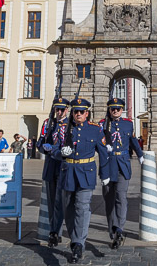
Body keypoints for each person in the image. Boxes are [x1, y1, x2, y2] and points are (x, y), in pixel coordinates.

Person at [59, 98, 110, 264]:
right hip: (68, 173)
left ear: (87, 113)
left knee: (82, 207)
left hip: (86, 174)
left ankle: (78, 244)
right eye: (75, 111)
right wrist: (60, 152)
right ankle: (76, 238)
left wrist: (105, 173)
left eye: (81, 112)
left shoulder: (95, 130)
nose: (78, 114)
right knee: (68, 209)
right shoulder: (66, 128)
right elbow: (53, 147)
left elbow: (103, 152)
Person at [98, 97, 144, 248]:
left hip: (123, 164)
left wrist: (140, 154)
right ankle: (112, 227)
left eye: (118, 108)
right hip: (107, 165)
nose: (115, 111)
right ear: (109, 110)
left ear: (122, 109)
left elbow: (132, 140)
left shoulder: (128, 124)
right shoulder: (102, 124)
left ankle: (119, 228)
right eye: (113, 108)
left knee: (121, 197)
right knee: (109, 199)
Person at [38, 98, 70, 247]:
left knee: (64, 202)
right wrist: (46, 147)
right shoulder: (48, 123)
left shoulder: (71, 124)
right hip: (51, 166)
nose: (59, 112)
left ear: (67, 110)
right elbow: (39, 144)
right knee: (52, 202)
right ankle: (54, 231)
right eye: (57, 109)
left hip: (66, 166)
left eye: (62, 109)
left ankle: (63, 229)